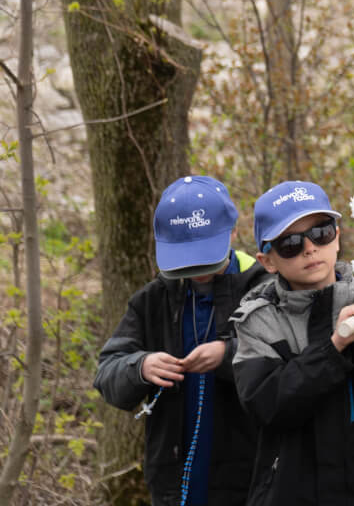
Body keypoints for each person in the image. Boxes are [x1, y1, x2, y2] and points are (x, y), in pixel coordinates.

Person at [232, 181, 354, 506]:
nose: (310, 248)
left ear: (337, 237)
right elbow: (268, 407)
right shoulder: (256, 321)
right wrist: (334, 346)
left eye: (321, 233)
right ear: (267, 261)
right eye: (291, 243)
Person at [95, 176, 266, 506]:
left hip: (249, 475)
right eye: (188, 257)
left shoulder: (260, 286)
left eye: (206, 255)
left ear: (232, 231)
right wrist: (140, 366)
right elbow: (107, 373)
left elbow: (289, 358)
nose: (198, 268)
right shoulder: (152, 300)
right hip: (174, 480)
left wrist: (228, 353)